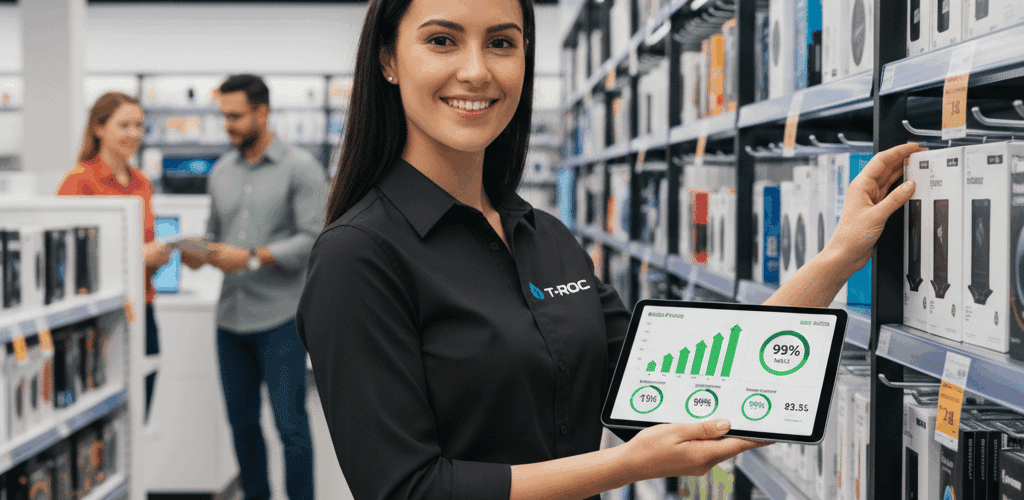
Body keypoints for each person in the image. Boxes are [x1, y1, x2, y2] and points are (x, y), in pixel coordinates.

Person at [296, 0, 926, 498]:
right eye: (441, 40)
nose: (476, 71)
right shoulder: (359, 256)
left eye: (502, 42)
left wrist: (840, 255)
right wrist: (621, 467)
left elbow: (692, 383)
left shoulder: (546, 237)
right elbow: (406, 488)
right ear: (387, 60)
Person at [182, 75, 325, 500]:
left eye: (235, 115)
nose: (227, 124)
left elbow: (314, 238)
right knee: (242, 425)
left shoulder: (300, 167)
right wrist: (195, 251)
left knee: (289, 425)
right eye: (223, 115)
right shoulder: (221, 172)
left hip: (281, 317)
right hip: (230, 319)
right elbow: (213, 234)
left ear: (262, 112)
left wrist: (251, 257)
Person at [57, 92, 169, 368]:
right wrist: (137, 255)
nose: (134, 133)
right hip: (100, 312)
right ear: (98, 128)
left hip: (142, 305)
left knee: (144, 390)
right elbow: (67, 255)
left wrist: (157, 256)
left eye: (139, 125)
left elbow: (145, 242)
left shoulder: (141, 182)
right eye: (124, 125)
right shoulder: (80, 181)